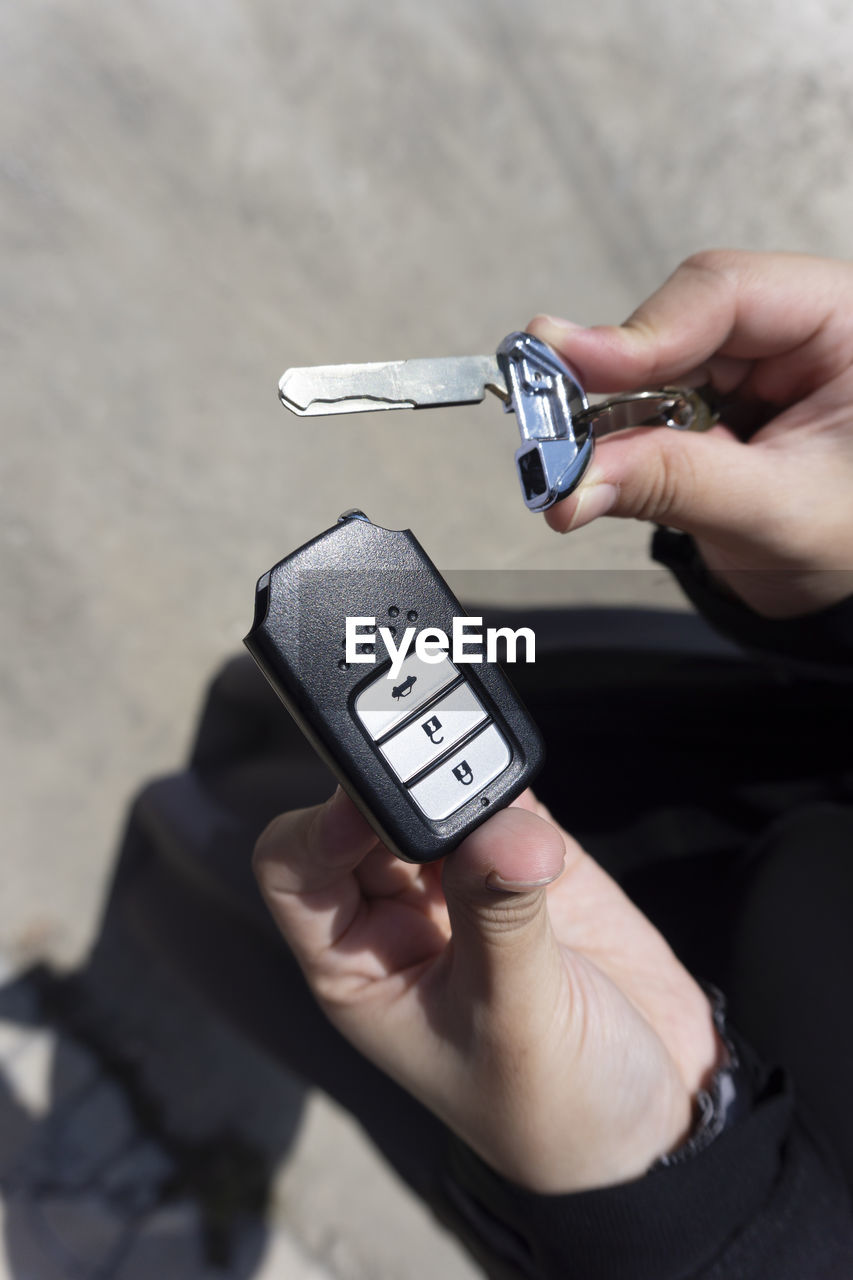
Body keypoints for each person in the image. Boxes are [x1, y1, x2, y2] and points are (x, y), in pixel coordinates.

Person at [251, 251, 853, 1278]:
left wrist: (673, 1189)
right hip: (737, 744)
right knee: (266, 770)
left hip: (658, 1085)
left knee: (262, 890)